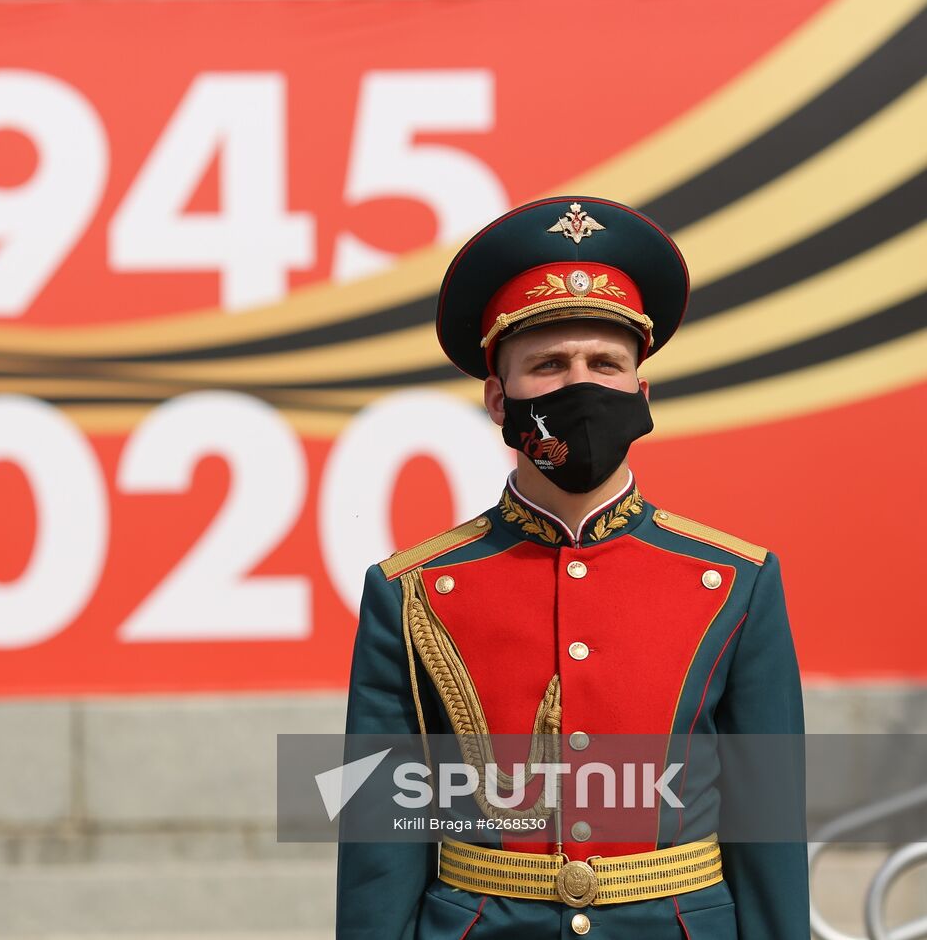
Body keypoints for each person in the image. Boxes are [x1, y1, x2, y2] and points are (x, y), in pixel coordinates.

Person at [335, 197, 808, 939]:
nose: (579, 386)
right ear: (499, 398)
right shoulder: (411, 591)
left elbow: (769, 829)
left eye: (604, 364)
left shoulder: (734, 583)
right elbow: (380, 837)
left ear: (640, 395)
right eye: (549, 365)